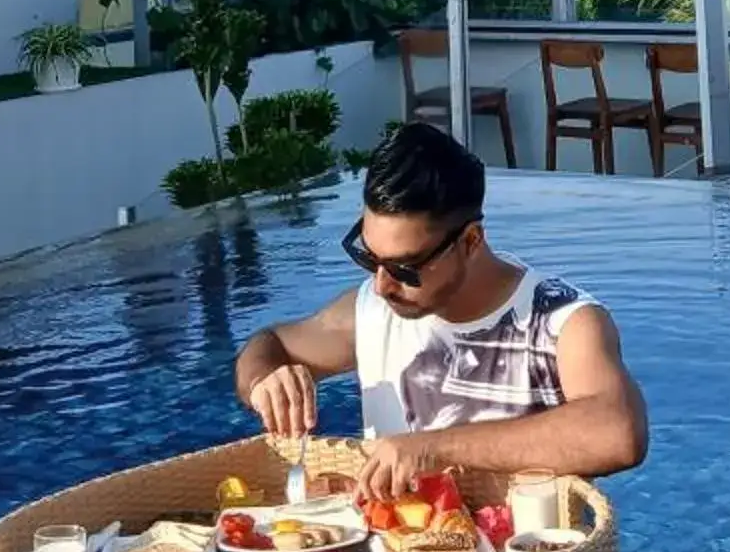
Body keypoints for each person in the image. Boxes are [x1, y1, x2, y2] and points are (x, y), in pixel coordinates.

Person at [232, 119, 648, 497]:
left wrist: (431, 449)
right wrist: (264, 382)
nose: (381, 285)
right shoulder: (373, 313)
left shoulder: (562, 322)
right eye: (369, 258)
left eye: (404, 268)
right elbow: (269, 343)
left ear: (470, 242)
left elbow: (618, 433)